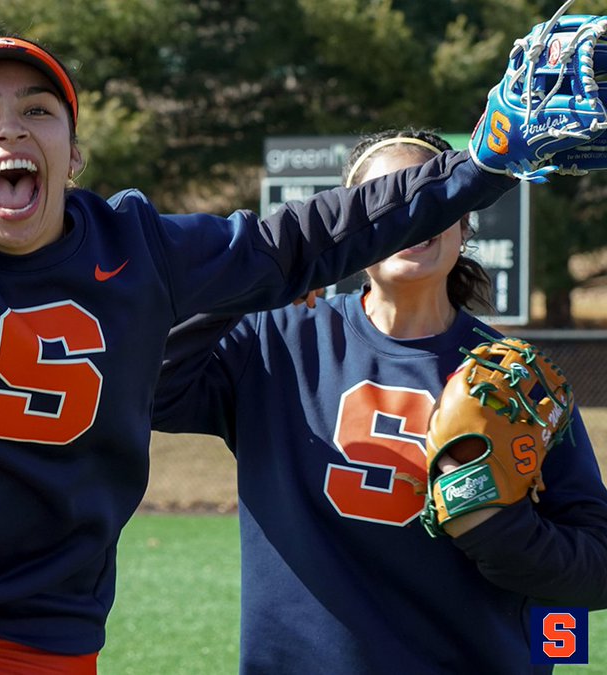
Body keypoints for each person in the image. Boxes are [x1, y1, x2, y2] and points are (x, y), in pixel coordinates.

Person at [0, 35, 520, 672]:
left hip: (46, 607)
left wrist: (483, 159)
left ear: (73, 154)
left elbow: (308, 238)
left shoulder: (136, 243)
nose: (9, 128)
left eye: (37, 111)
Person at [154, 129, 607, 674]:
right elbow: (154, 387)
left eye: (429, 200)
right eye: (387, 202)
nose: (409, 218)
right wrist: (253, 281)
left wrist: (495, 528)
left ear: (464, 223)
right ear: (352, 227)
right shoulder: (273, 340)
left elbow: (595, 570)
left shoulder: (518, 383)